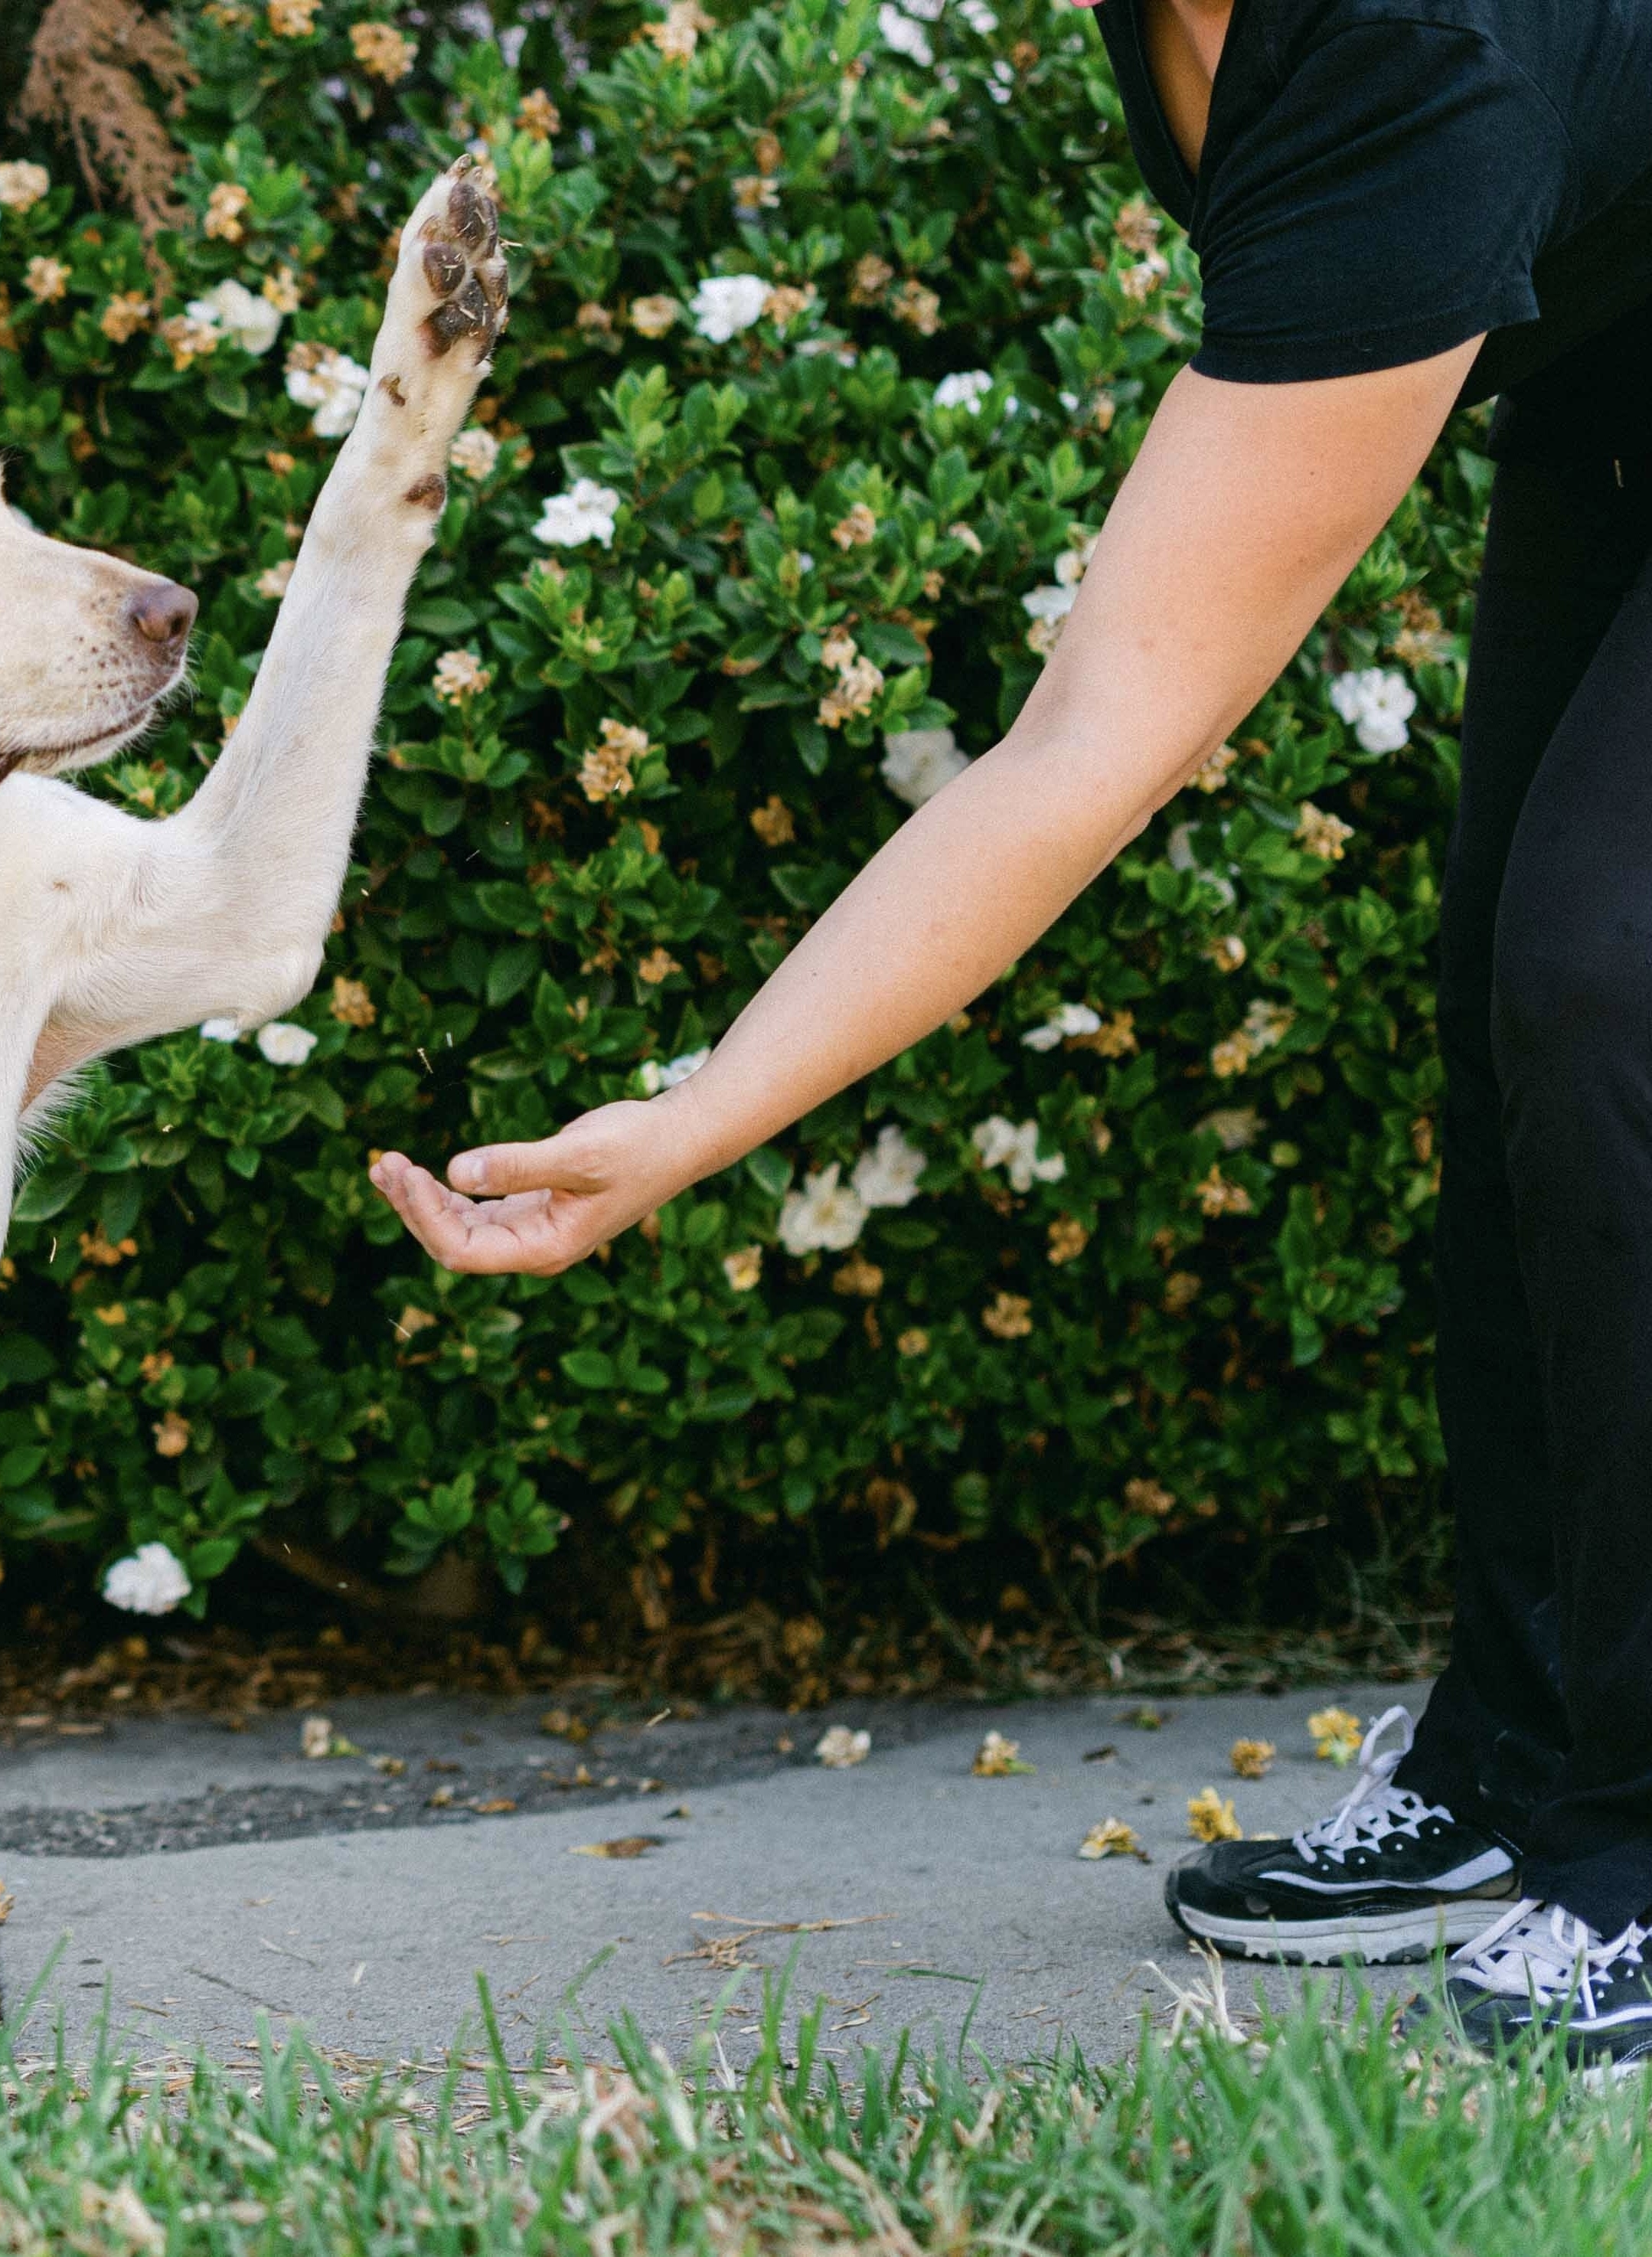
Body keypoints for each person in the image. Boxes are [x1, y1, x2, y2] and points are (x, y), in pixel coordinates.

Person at [371, 0, 1652, 2068]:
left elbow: (1098, 739)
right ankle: (1519, 1754)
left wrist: (703, 1115)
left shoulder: (1418, 44)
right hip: (1618, 330)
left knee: (1611, 984)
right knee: (1521, 1000)